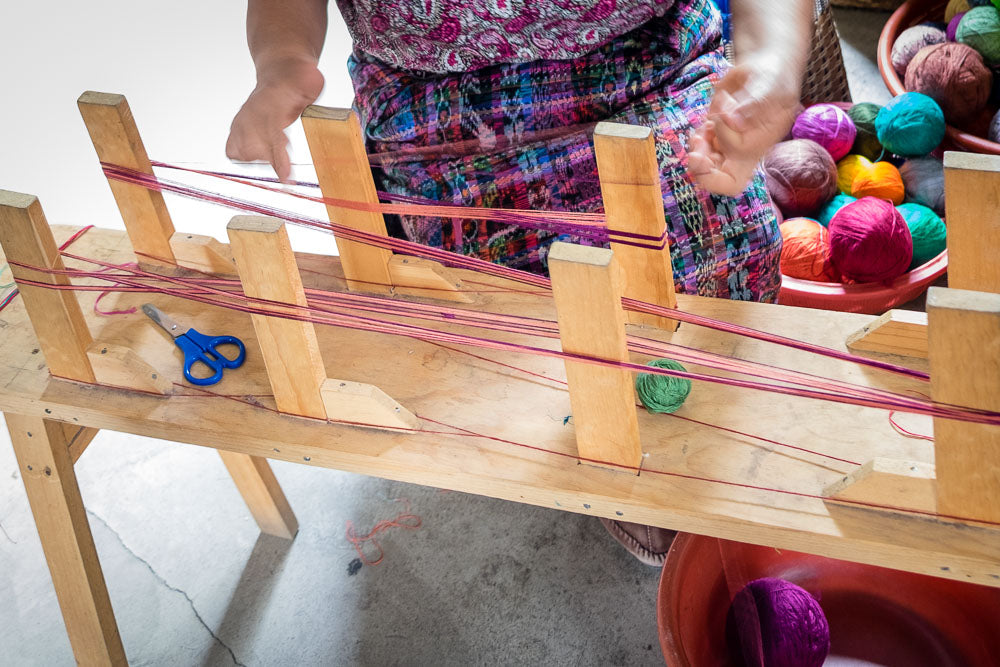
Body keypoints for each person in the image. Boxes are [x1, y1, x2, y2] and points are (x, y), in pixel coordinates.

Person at [227, 0, 812, 564]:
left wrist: (773, 61)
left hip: (647, 67)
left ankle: (675, 433)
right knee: (516, 321)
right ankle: (615, 445)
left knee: (720, 259)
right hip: (446, 108)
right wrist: (280, 59)